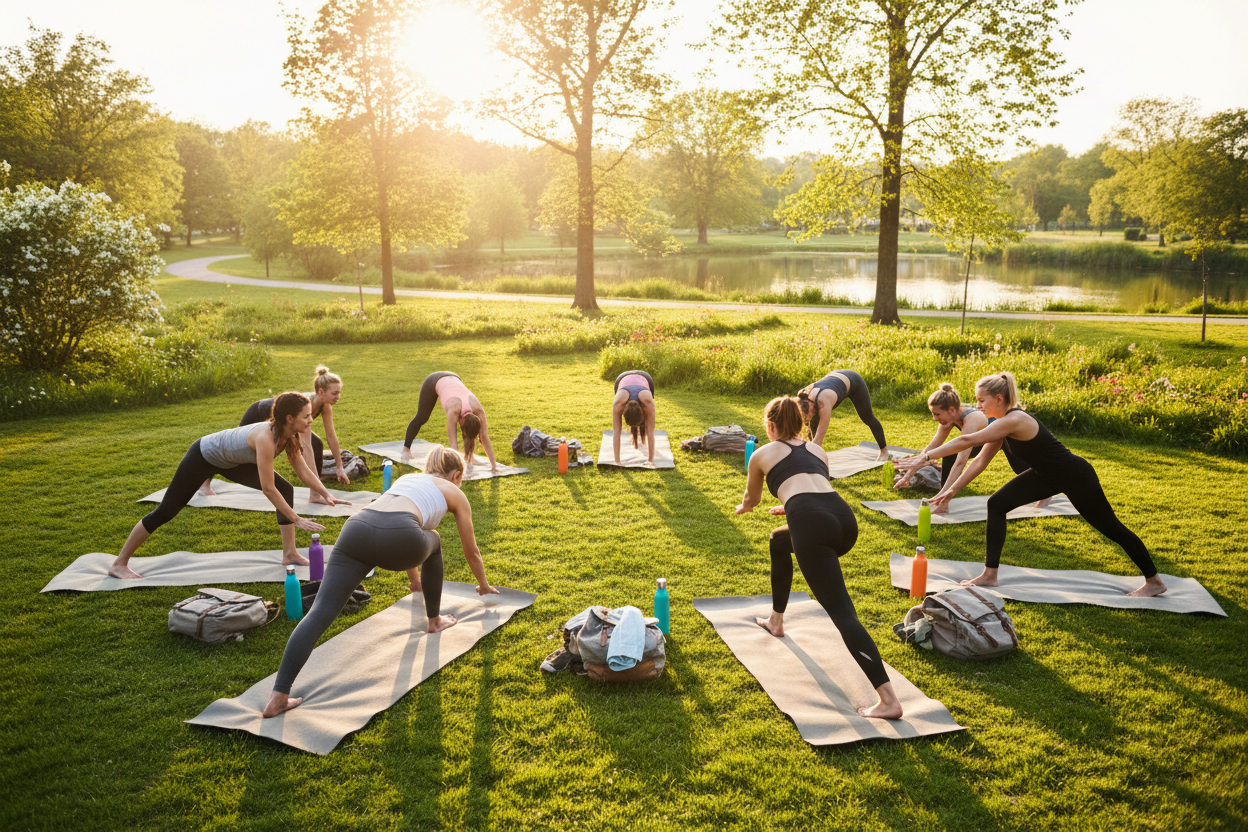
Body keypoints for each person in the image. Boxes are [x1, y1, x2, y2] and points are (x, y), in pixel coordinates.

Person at [262, 446, 500, 718]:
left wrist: (415, 581)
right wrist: (482, 584)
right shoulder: (454, 492)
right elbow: (471, 551)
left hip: (356, 530)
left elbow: (393, 522)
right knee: (434, 541)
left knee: (319, 613)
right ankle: (434, 620)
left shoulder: (406, 480)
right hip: (400, 537)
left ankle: (278, 696)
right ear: (457, 475)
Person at [894, 372, 1166, 598]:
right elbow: (980, 462)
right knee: (996, 504)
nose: (978, 407)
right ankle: (990, 575)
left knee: (1111, 528)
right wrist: (950, 491)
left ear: (999, 399)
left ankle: (1154, 582)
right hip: (1045, 476)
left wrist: (925, 456)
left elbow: (968, 442)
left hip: (1074, 476)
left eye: (981, 401)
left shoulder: (1015, 420)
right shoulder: (1001, 423)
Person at [736, 395, 903, 720]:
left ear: (770, 426)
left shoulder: (761, 454)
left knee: (843, 613)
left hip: (814, 527)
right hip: (843, 520)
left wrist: (746, 507)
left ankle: (888, 701)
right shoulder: (817, 450)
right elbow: (812, 485)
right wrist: (791, 505)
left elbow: (751, 497)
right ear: (800, 423)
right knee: (779, 540)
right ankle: (776, 621)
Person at [109, 392, 352, 580]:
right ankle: (119, 564)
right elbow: (268, 488)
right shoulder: (266, 438)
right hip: (203, 456)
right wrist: (296, 518)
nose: (311, 420)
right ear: (290, 418)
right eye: (306, 416)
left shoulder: (291, 435)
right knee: (167, 510)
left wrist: (326, 494)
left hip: (232, 461)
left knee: (286, 488)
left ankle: (289, 554)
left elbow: (303, 471)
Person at [200, 365, 347, 504]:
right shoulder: (304, 405)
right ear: (321, 392)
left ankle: (314, 494)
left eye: (339, 392)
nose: (338, 396)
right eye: (334, 393)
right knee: (235, 452)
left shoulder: (325, 406)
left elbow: (331, 436)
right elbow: (305, 449)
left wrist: (339, 467)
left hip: (281, 420)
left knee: (317, 443)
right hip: (258, 413)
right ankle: (205, 481)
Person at [893, 383, 999, 513]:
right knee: (949, 453)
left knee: (1022, 468)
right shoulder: (949, 417)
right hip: (981, 440)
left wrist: (939, 500)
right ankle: (943, 495)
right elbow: (931, 449)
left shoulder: (971, 420)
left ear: (951, 410)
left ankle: (942, 500)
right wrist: (907, 476)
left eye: (937, 414)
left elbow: (961, 463)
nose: (934, 418)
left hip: (1003, 438)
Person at [401, 372, 499, 473]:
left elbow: (484, 437)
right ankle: (406, 450)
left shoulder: (479, 411)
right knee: (422, 418)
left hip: (455, 377)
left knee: (470, 432)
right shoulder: (454, 411)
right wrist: (457, 470)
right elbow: (453, 445)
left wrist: (494, 467)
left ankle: (469, 458)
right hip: (434, 380)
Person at [797, 370, 888, 460]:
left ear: (811, 409)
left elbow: (818, 442)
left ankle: (884, 452)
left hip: (853, 381)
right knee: (811, 426)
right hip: (836, 379)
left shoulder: (824, 402)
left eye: (807, 417)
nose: (806, 420)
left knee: (868, 418)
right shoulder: (802, 396)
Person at [612, 370, 657, 465]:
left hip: (646, 378)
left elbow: (650, 431)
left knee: (648, 428)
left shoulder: (648, 402)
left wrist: (650, 460)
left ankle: (649, 454)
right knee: (617, 428)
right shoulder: (618, 404)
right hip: (621, 378)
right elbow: (616, 432)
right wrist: (617, 461)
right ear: (623, 412)